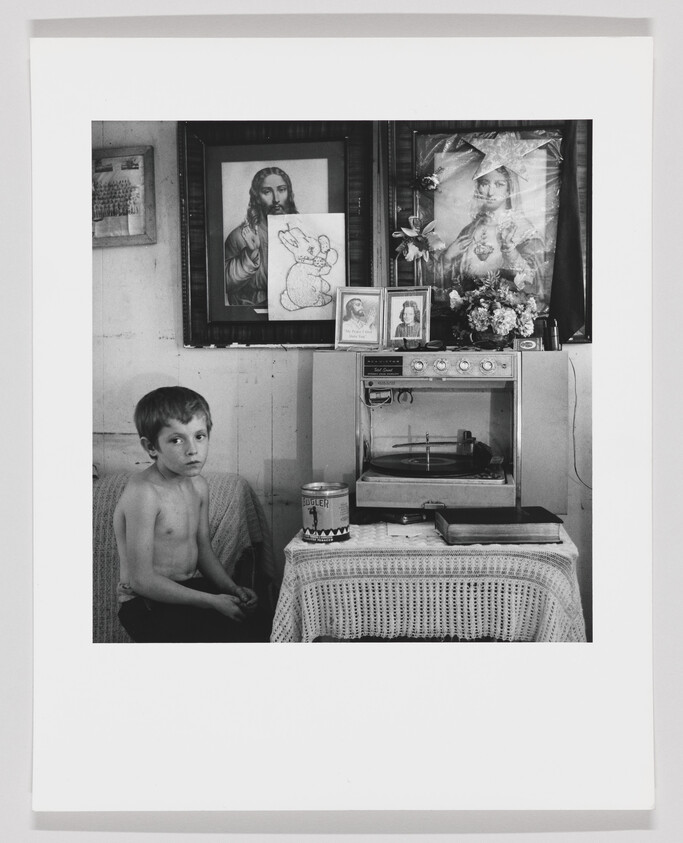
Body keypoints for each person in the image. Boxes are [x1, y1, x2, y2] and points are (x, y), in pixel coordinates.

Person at [114, 386, 269, 642]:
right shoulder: (144, 493)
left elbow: (203, 550)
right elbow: (141, 580)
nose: (192, 449)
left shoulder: (198, 487)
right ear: (151, 447)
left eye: (199, 436)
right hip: (146, 603)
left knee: (261, 623)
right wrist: (211, 601)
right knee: (222, 636)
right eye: (176, 440)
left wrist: (231, 589)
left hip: (187, 592)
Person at [442, 166, 544, 294]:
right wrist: (447, 258)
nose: (490, 192)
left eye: (499, 184)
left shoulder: (524, 230)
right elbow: (451, 286)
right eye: (485, 184)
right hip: (469, 308)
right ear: (478, 187)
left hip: (507, 309)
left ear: (509, 190)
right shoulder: (469, 231)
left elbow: (533, 282)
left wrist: (510, 250)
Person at [224, 166, 298, 307]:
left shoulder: (302, 233)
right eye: (267, 192)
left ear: (289, 194)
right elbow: (223, 283)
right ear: (257, 197)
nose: (276, 199)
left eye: (281, 190)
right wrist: (250, 255)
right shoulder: (240, 236)